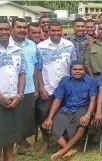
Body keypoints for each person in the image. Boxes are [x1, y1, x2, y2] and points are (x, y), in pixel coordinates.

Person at [42, 60, 97, 160]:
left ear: (84, 70)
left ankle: (63, 150)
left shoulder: (91, 81)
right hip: (66, 109)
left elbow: (93, 100)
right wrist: (49, 118)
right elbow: (57, 99)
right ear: (71, 70)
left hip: (82, 108)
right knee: (51, 125)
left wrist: (88, 115)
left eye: (80, 69)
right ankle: (71, 149)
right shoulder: (65, 80)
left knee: (82, 125)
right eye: (75, 69)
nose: (77, 71)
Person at [36, 21, 77, 153]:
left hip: (66, 89)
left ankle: (63, 141)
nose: (55, 33)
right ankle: (46, 142)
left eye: (58, 30)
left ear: (62, 31)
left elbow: (73, 67)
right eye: (52, 31)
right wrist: (41, 88)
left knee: (64, 115)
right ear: (47, 31)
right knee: (44, 115)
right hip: (48, 88)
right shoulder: (41, 47)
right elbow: (38, 69)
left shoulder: (69, 45)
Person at [0, 19, 27, 161]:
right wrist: (0, 98)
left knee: (10, 135)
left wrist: (19, 95)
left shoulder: (17, 50)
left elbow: (22, 73)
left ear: (10, 30)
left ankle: (9, 158)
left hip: (13, 101)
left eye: (6, 29)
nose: (3, 32)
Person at [10, 18, 39, 156]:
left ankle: (21, 145)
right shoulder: (6, 44)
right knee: (9, 120)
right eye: (19, 27)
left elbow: (35, 68)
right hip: (9, 90)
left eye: (24, 27)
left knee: (26, 118)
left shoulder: (32, 45)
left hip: (29, 88)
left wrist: (37, 88)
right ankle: (1, 151)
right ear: (12, 28)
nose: (22, 29)